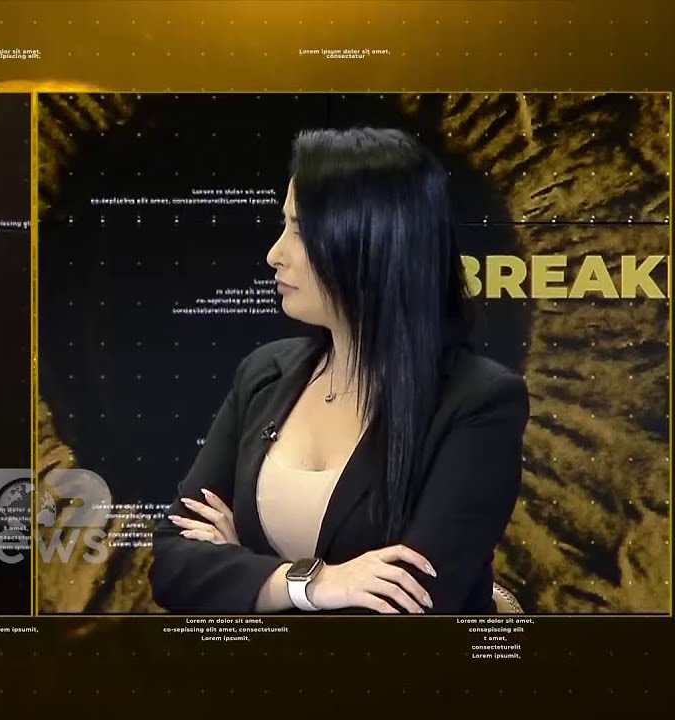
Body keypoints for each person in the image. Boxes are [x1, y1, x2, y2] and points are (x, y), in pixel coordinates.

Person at [149, 127, 529, 614]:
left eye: (299, 230)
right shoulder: (264, 373)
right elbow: (173, 562)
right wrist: (312, 583)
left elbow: (409, 606)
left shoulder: (479, 402)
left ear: (370, 244)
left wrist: (241, 567)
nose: (274, 254)